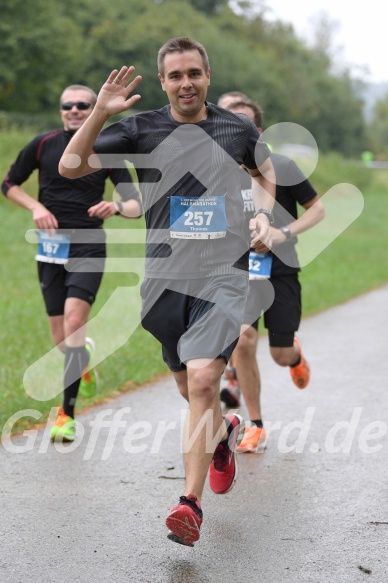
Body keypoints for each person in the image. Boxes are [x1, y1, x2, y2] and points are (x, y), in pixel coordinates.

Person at [58, 37, 276, 546]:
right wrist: (98, 115)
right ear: (162, 82)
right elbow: (72, 165)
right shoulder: (139, 128)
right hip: (163, 281)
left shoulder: (235, 127)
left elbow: (266, 170)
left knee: (203, 383)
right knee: (189, 390)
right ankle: (221, 436)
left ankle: (189, 504)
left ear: (207, 76)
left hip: (223, 274)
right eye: (176, 75)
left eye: (194, 73)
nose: (186, 83)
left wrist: (262, 212)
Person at [1, 84, 142, 443]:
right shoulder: (43, 144)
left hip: (89, 246)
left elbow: (135, 204)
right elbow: (9, 184)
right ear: (61, 110)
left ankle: (66, 414)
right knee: (61, 339)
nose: (75, 110)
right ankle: (84, 355)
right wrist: (36, 206)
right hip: (50, 249)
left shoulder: (108, 151)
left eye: (83, 105)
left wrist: (116, 206)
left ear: (96, 109)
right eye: (68, 105)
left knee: (75, 321)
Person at [218, 96, 325, 453]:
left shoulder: (281, 166)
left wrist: (283, 233)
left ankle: (293, 354)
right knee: (244, 340)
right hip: (237, 272)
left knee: (278, 354)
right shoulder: (213, 173)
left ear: (257, 132)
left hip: (279, 270)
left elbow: (318, 210)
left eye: (243, 125)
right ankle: (256, 425)